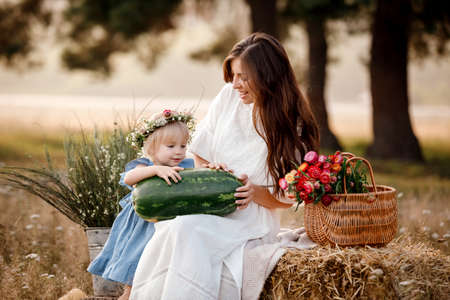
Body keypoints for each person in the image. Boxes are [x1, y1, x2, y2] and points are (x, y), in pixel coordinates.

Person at [130, 32, 319, 300]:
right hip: (209, 203)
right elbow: (201, 152)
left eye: (244, 77)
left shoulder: (291, 124)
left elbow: (289, 198)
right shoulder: (228, 97)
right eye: (234, 75)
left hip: (252, 219)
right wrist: (210, 171)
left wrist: (255, 192)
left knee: (187, 229)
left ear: (268, 76)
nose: (236, 84)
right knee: (177, 228)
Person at [87, 109, 195, 300]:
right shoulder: (144, 165)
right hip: (143, 224)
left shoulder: (186, 165)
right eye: (171, 146)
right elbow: (130, 178)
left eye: (183, 146)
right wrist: (156, 170)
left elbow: (201, 175)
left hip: (170, 221)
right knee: (139, 264)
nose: (178, 151)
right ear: (151, 148)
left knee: (162, 268)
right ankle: (128, 295)